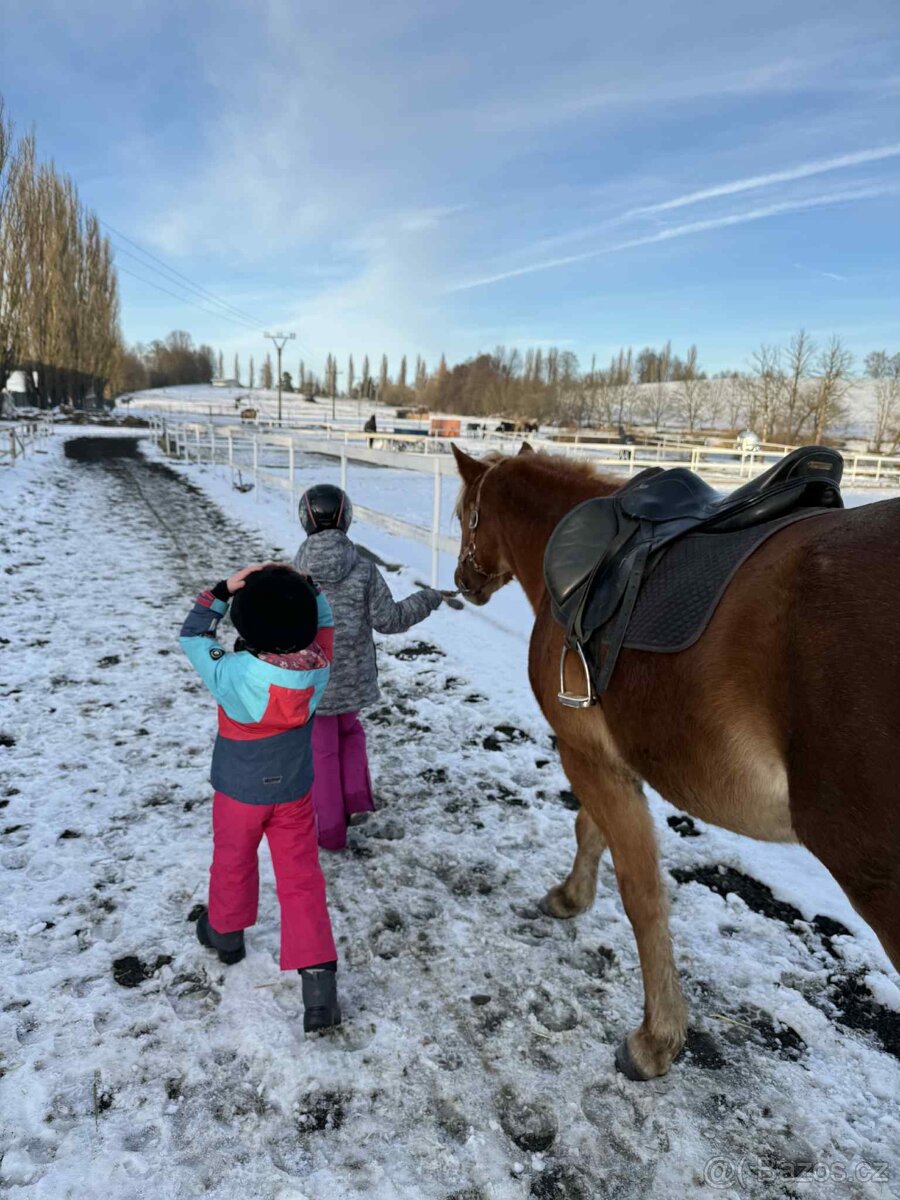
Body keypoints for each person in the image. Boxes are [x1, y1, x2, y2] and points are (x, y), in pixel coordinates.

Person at [179, 562, 341, 1032]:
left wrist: (219, 591)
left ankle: (226, 934)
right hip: (293, 792)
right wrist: (308, 589)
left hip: (238, 793)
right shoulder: (318, 666)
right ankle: (319, 988)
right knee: (301, 878)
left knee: (232, 860)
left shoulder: (229, 673)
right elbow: (325, 625)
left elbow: (194, 634)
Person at [295, 484, 443, 851]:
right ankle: (355, 801)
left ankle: (330, 831)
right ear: (346, 519)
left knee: (322, 751)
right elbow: (390, 620)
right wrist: (427, 599)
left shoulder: (296, 572)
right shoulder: (363, 569)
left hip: (313, 683)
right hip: (355, 679)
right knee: (351, 733)